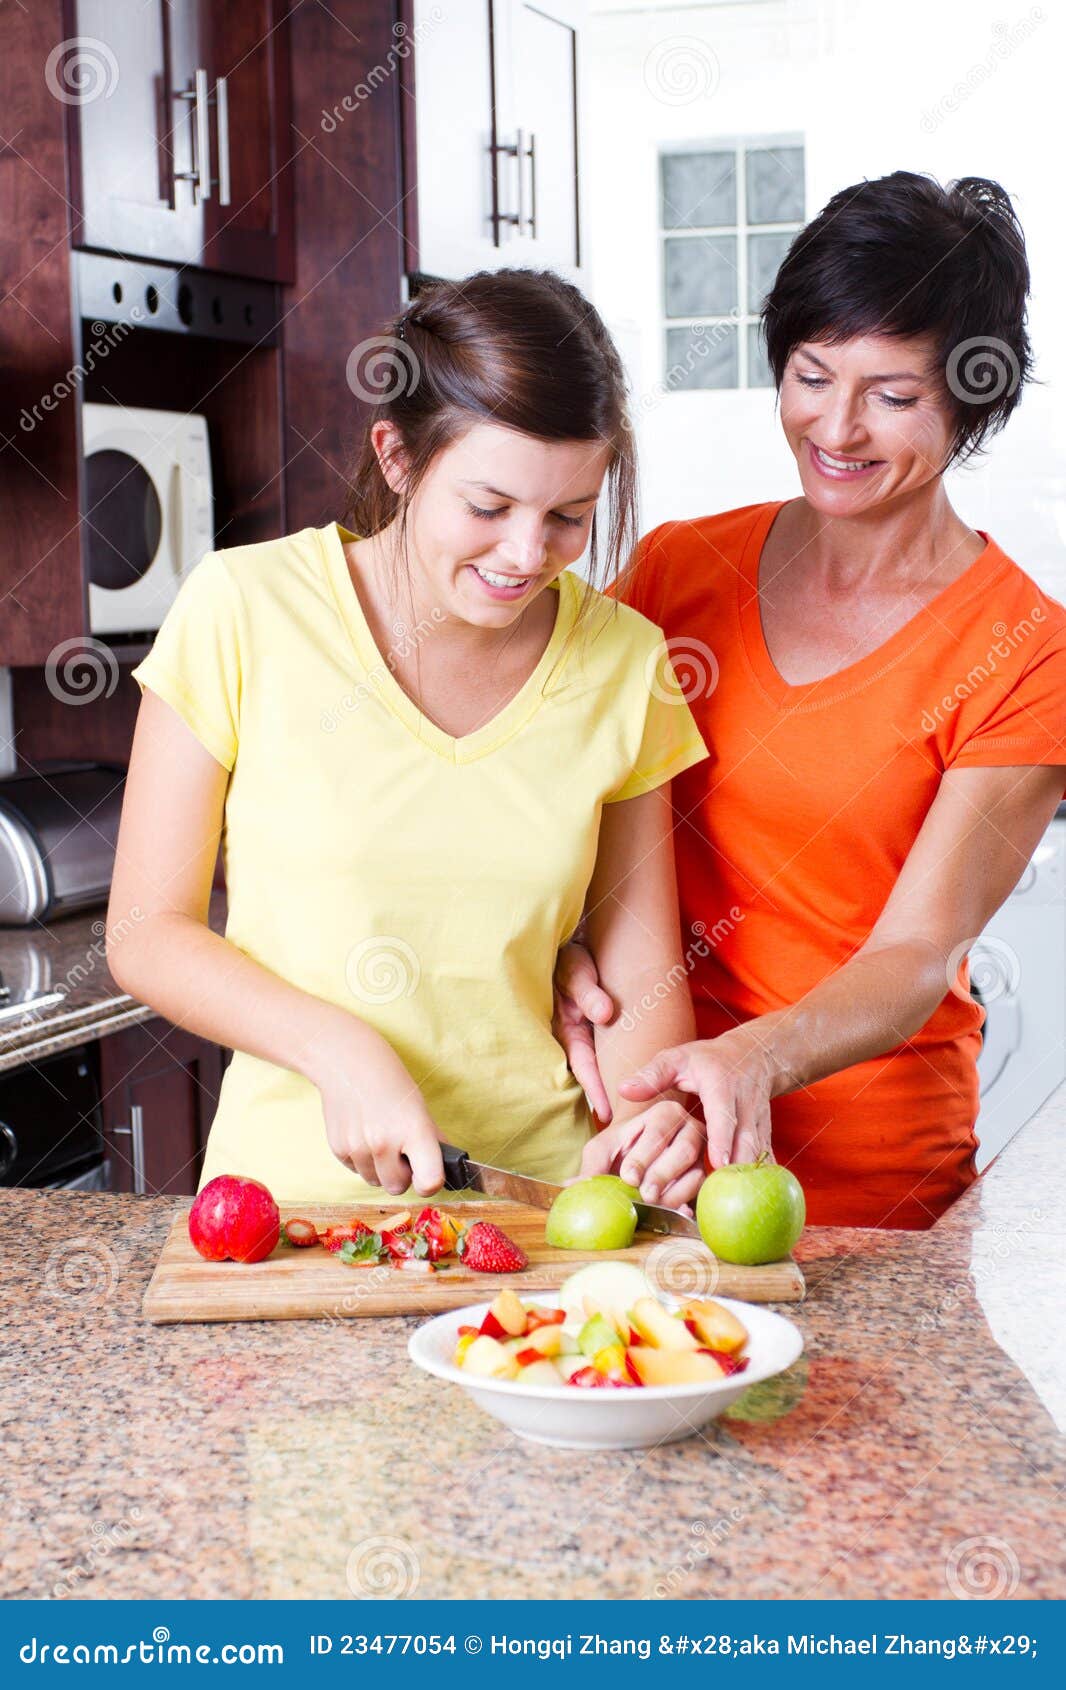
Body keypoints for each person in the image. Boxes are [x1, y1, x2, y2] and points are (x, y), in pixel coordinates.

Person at [107, 269, 711, 1207]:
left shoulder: (624, 661)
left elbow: (638, 979)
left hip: (543, 1210)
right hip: (291, 1215)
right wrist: (337, 1047)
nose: (525, 556)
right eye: (488, 507)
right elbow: (147, 933)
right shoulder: (244, 609)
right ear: (396, 457)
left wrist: (651, 1126)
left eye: (568, 518)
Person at [557, 173, 1066, 1228]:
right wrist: (556, 948)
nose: (835, 426)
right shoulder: (673, 571)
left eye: (891, 394)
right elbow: (555, 797)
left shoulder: (1026, 649)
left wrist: (746, 1057)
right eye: (809, 374)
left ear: (973, 396)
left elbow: (913, 952)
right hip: (644, 1151)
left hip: (867, 1185)